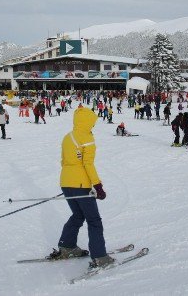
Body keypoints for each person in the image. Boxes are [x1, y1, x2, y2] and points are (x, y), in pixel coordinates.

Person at [52, 107, 114, 268]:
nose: (93, 126)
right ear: (87, 122)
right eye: (92, 122)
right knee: (94, 220)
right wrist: (98, 186)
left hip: (66, 182)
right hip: (81, 184)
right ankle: (100, 256)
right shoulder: (87, 138)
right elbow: (88, 164)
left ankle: (67, 246)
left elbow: (63, 160)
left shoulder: (68, 137)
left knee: (78, 215)